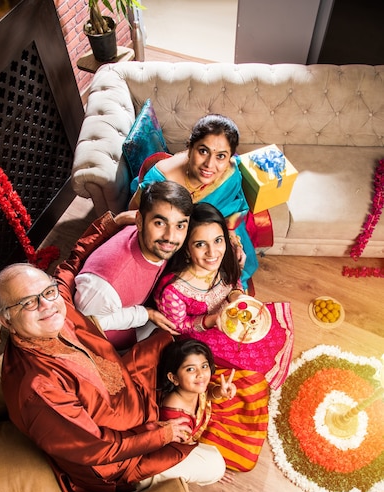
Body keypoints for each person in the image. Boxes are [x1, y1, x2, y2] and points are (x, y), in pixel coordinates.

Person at [0, 214, 225, 492]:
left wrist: (112, 222)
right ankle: (145, 487)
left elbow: (70, 264)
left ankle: (170, 410)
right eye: (28, 304)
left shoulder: (58, 304)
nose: (47, 305)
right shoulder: (38, 388)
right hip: (118, 459)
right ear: (5, 320)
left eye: (46, 293)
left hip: (126, 388)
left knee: (171, 336)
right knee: (215, 464)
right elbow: (96, 451)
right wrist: (161, 435)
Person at [154, 203, 294, 391]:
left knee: (264, 334)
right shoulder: (173, 290)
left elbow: (234, 282)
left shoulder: (226, 258)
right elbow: (177, 326)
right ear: (186, 248)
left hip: (231, 316)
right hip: (203, 335)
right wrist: (210, 320)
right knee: (247, 369)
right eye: (200, 244)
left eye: (218, 241)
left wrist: (237, 296)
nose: (212, 253)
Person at [129, 113, 260, 291]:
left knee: (231, 264)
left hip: (208, 234)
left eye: (221, 156)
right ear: (190, 148)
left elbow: (228, 211)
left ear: (229, 157)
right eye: (203, 151)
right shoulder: (160, 180)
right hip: (172, 240)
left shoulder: (229, 175)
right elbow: (135, 214)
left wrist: (233, 242)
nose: (209, 164)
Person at [74, 181, 193, 351]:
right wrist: (146, 314)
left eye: (180, 225)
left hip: (142, 313)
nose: (170, 236)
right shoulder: (104, 287)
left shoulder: (155, 242)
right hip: (113, 348)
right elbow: (85, 322)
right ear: (139, 221)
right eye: (160, 223)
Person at [158, 338, 237, 445]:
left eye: (204, 366)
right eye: (190, 369)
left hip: (203, 425)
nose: (201, 374)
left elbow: (206, 394)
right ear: (173, 378)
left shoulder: (193, 387)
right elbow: (184, 445)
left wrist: (221, 391)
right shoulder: (174, 410)